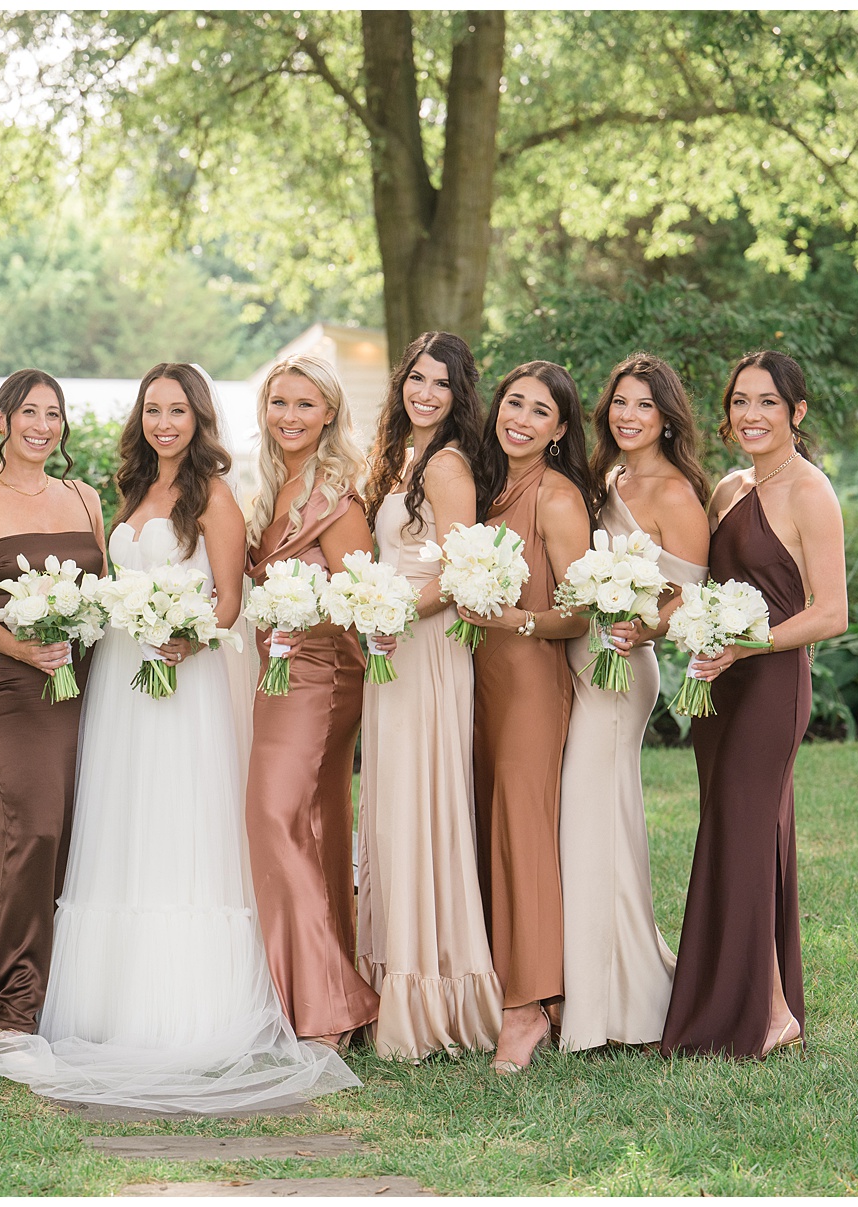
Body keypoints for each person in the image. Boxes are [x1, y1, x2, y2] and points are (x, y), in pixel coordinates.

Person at [0, 363, 357, 1113]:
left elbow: (230, 597)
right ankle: (109, 1003)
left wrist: (186, 638)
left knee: (183, 826)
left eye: (179, 410)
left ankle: (194, 1004)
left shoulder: (211, 493)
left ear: (200, 417)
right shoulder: (125, 492)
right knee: (122, 826)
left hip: (185, 681)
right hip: (120, 676)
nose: (165, 422)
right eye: (154, 409)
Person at [662, 350, 847, 1059]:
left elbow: (831, 612)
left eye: (768, 402)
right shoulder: (729, 488)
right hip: (718, 678)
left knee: (743, 832)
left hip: (770, 681)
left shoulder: (811, 492)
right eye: (740, 401)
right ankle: (735, 1000)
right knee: (736, 833)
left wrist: (749, 646)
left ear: (796, 412)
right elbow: (704, 583)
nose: (751, 415)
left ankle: (770, 1011)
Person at [0, 369, 107, 1038]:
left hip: (85, 678)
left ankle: (69, 994)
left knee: (84, 834)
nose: (42, 424)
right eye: (28, 411)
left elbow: (104, 592)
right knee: (33, 828)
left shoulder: (86, 496)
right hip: (16, 684)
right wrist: (21, 646)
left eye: (53, 413)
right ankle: (11, 1003)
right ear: (1, 421)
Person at [355, 332, 503, 1063]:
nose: (425, 392)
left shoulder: (446, 464)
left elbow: (461, 573)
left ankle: (433, 991)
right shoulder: (395, 458)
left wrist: (391, 615)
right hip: (390, 650)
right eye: (417, 377)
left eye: (441, 383)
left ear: (458, 395)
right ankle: (386, 976)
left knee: (420, 806)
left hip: (428, 649)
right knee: (388, 808)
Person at [557, 353, 709, 1053]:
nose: (628, 415)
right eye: (620, 402)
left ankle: (626, 1005)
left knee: (599, 826)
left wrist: (641, 624)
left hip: (624, 666)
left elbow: (687, 598)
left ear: (666, 416)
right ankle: (593, 987)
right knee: (588, 823)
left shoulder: (675, 492)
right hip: (582, 655)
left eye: (644, 405)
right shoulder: (605, 477)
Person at [458, 360, 595, 1073]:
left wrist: (514, 621)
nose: (521, 418)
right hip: (475, 681)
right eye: (514, 403)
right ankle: (497, 984)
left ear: (561, 429)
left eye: (540, 411)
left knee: (523, 832)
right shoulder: (486, 487)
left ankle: (531, 1003)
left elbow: (577, 615)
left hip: (531, 682)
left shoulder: (557, 497)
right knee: (486, 825)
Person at [242, 355, 379, 1051]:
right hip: (273, 672)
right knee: (311, 826)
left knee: (271, 814)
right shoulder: (264, 487)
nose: (289, 417)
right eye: (278, 403)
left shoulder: (339, 500)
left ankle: (329, 1005)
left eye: (303, 404)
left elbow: (357, 604)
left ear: (329, 413)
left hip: (322, 674)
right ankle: (320, 994)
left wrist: (302, 616)